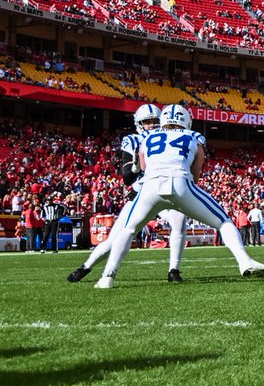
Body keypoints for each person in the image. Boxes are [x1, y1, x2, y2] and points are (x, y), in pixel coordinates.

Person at [92, 104, 264, 288]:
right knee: (224, 221)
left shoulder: (146, 139)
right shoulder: (192, 137)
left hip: (149, 187)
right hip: (181, 183)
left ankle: (107, 277)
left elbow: (143, 167)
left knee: (128, 230)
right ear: (187, 121)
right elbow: (195, 174)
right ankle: (244, 262)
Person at [68, 104, 189, 284]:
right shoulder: (132, 141)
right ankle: (86, 266)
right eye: (147, 122)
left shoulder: (171, 138)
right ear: (139, 124)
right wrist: (135, 167)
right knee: (115, 239)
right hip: (141, 195)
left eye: (155, 121)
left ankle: (174, 270)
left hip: (166, 192)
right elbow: (127, 178)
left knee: (180, 221)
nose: (152, 125)